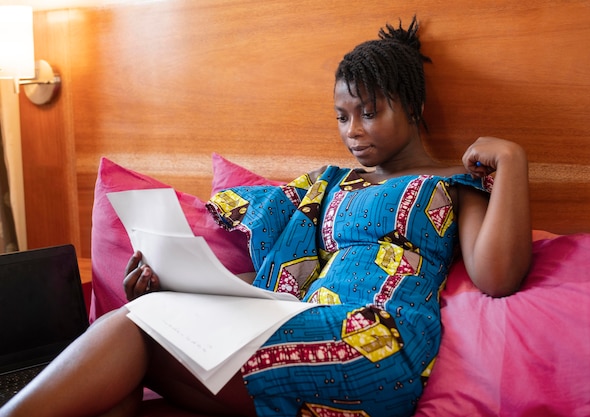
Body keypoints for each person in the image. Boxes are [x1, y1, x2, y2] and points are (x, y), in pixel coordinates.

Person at [0, 16, 531, 417]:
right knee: (127, 358)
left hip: (379, 342)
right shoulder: (328, 187)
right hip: (300, 323)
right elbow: (283, 283)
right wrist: (177, 285)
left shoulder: (451, 186)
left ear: (412, 108)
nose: (353, 131)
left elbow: (497, 276)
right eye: (342, 117)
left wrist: (511, 161)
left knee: (135, 331)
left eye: (370, 112)